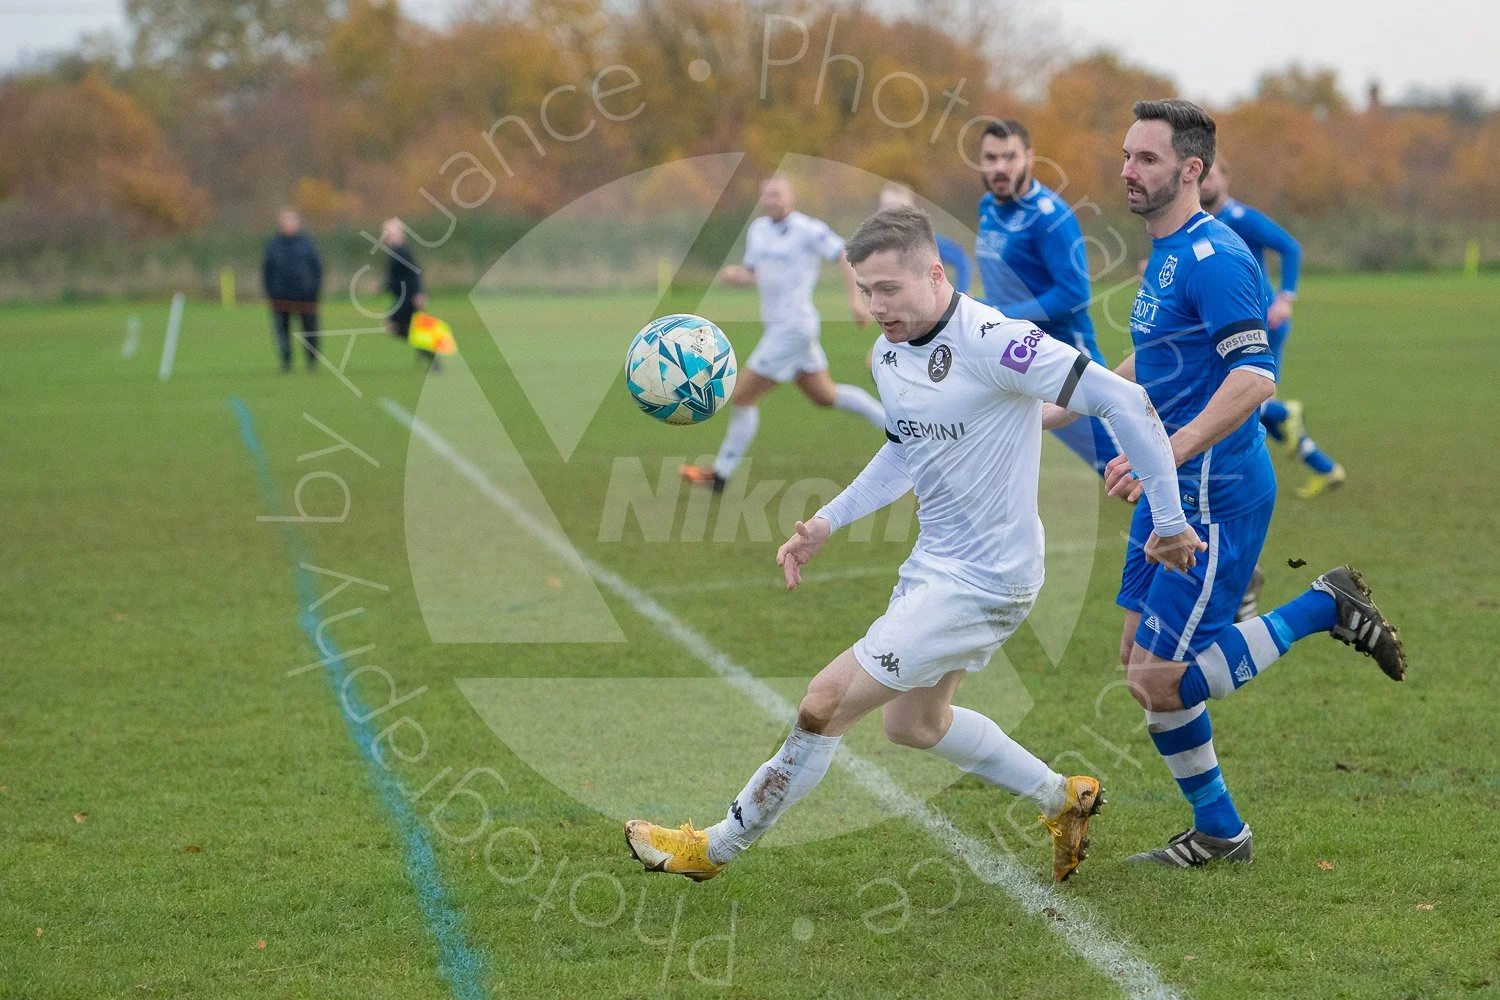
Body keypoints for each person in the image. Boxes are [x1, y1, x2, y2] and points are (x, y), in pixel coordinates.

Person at [627, 205, 1203, 885]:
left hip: (987, 579)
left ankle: (714, 848)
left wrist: (1170, 520)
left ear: (934, 274)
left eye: (888, 289)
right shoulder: (888, 354)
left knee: (822, 702)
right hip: (936, 566)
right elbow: (904, 451)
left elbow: (1124, 401)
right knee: (915, 724)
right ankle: (1062, 797)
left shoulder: (996, 340)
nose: (875, 306)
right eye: (865, 290)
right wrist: (827, 521)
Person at [1053, 99, 1404, 868]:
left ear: (1191, 170)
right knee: (1138, 662)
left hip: (1215, 493)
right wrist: (1059, 404)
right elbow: (1155, 357)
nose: (1127, 170)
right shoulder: (1166, 254)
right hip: (1172, 487)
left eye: (1146, 158)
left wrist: (1165, 453)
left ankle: (1321, 610)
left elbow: (1254, 379)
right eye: (1126, 154)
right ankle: (1219, 828)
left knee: (1161, 679)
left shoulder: (1217, 259)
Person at [679, 175, 884, 492]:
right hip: (782, 328)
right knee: (825, 396)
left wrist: (855, 300)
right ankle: (900, 428)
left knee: (742, 396)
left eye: (777, 194)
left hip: (793, 327)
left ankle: (720, 475)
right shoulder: (758, 230)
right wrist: (737, 276)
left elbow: (845, 254)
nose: (771, 199)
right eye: (766, 195)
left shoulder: (807, 229)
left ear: (791, 197)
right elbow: (755, 274)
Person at [975, 120, 1120, 476]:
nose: (1000, 167)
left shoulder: (1050, 217)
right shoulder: (987, 207)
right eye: (991, 158)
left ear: (1029, 157)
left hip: (1064, 360)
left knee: (1126, 472)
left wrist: (1001, 315)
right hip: (1014, 358)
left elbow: (1074, 294)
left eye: (1010, 157)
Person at [1199, 159, 1346, 499]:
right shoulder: (1205, 223)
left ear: (1226, 179)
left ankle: (1285, 414)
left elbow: (1290, 247)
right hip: (1236, 322)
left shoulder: (1240, 217)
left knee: (1243, 399)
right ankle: (1325, 468)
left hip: (1261, 321)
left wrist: (1285, 298)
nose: (1204, 182)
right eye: (1201, 176)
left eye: (1212, 175)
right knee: (1253, 404)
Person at [877, 182, 972, 292]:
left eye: (899, 207)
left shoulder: (926, 242)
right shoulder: (874, 243)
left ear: (911, 210)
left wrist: (960, 293)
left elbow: (962, 262)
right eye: (887, 206)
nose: (892, 212)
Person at [261, 208, 323, 372]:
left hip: (305, 295)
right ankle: (286, 361)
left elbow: (317, 268)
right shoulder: (273, 245)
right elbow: (267, 270)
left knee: (310, 329)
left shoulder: (307, 243)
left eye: (291, 221)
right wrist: (270, 292)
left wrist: (314, 289)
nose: (288, 225)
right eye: (285, 222)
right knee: (282, 330)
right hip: (280, 296)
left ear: (298, 223)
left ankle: (311, 361)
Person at [380, 218, 438, 370]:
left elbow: (415, 273)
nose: (387, 237)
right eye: (386, 234)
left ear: (400, 235)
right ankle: (426, 352)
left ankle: (428, 353)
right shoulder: (395, 252)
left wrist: (419, 293)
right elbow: (397, 276)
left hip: (408, 298)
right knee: (407, 328)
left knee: (393, 326)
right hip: (403, 297)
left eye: (390, 234)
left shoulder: (403, 252)